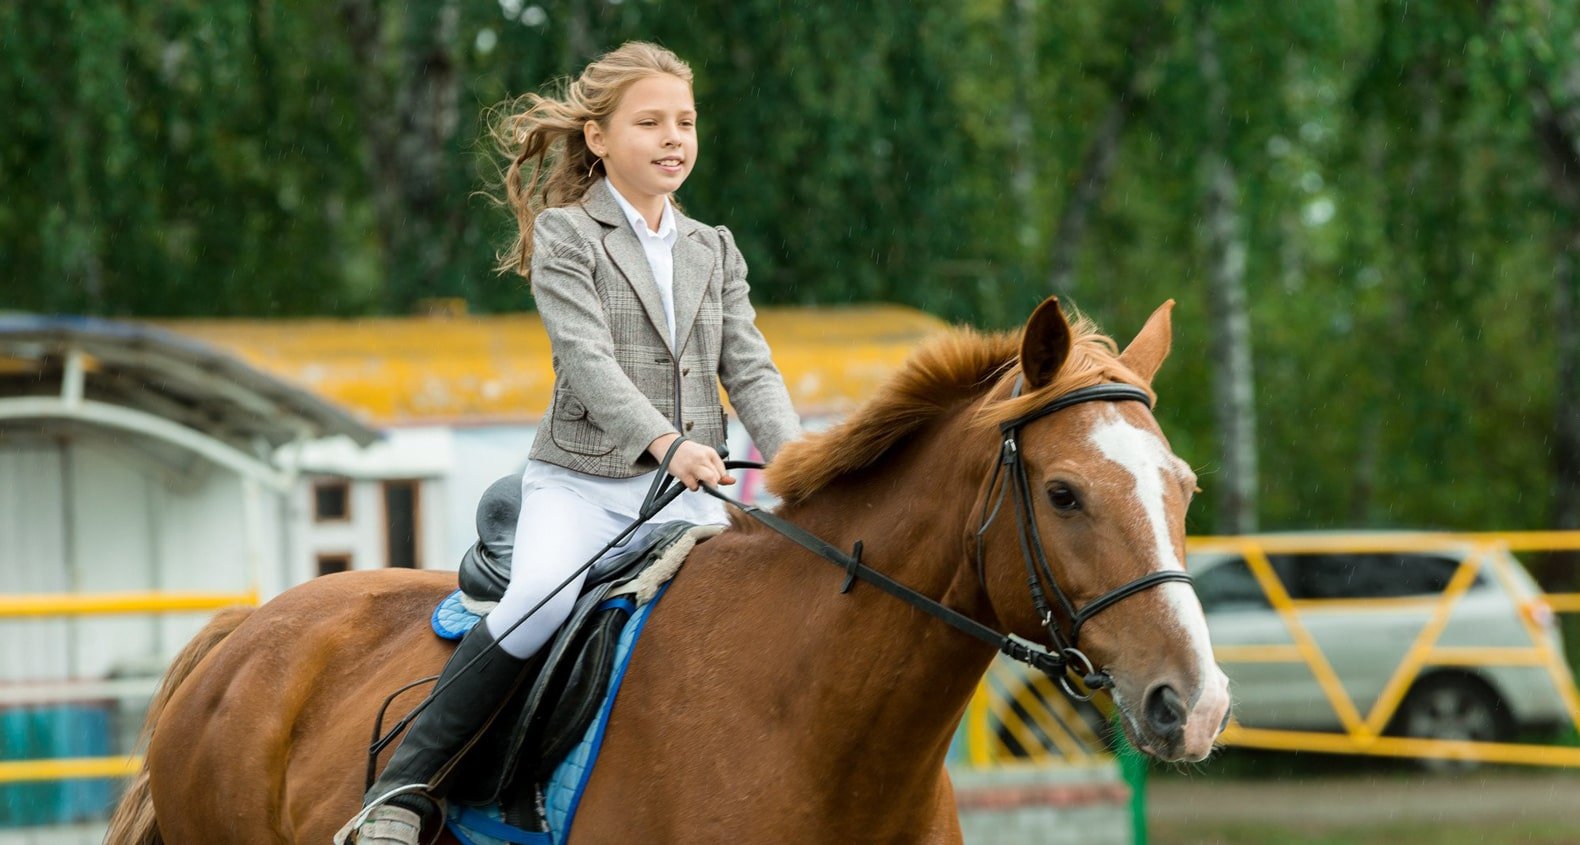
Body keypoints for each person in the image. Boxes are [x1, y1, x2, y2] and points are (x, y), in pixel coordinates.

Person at [339, 41, 802, 845]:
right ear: (598, 139)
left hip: (690, 496)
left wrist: (800, 464)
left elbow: (751, 367)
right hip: (587, 484)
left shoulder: (713, 247)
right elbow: (586, 365)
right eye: (650, 122)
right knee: (539, 598)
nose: (673, 139)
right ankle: (404, 788)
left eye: (685, 123)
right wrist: (667, 442)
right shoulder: (567, 236)